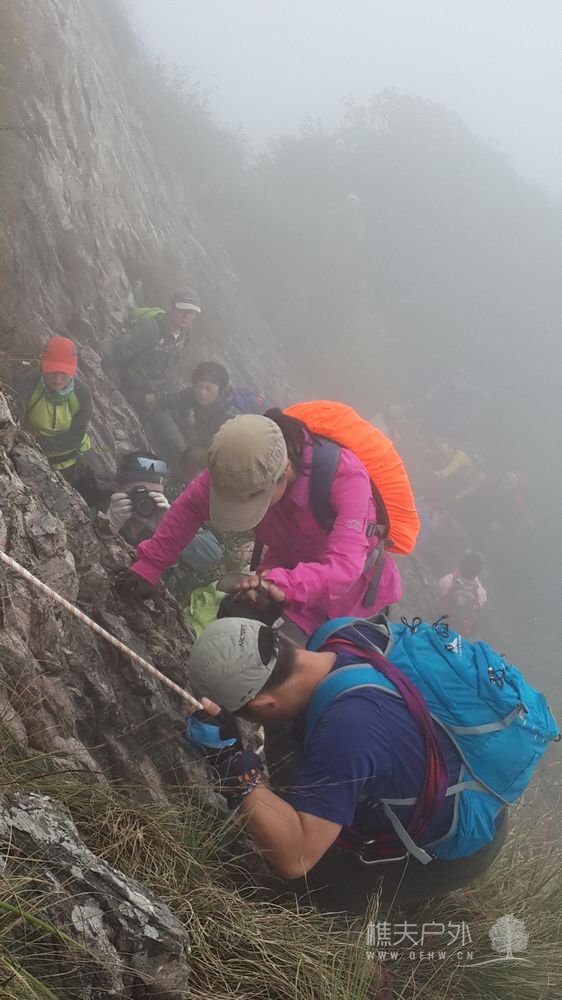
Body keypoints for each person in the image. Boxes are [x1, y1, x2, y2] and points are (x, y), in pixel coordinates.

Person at [185, 616, 509, 913]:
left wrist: (231, 764)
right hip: (456, 775)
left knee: (314, 887)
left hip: (457, 846)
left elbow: (296, 858)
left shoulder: (347, 730)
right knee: (291, 734)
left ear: (264, 703)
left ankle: (371, 910)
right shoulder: (342, 633)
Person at [122, 411, 402, 636]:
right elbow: (191, 507)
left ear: (283, 473)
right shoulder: (238, 466)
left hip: (352, 602)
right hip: (283, 575)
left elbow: (344, 567)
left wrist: (279, 584)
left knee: (291, 668)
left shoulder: (347, 480)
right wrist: (152, 564)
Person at [112, 289, 202, 463]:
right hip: (146, 397)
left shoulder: (185, 334)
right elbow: (118, 353)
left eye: (191, 312)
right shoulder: (151, 329)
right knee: (175, 443)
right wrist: (129, 390)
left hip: (166, 392)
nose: (186, 316)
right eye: (182, 309)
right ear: (171, 307)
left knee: (191, 430)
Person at [107, 450, 223, 580]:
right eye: (140, 492)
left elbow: (211, 555)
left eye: (155, 494)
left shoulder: (170, 512)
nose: (147, 501)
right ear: (116, 489)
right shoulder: (97, 512)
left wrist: (169, 528)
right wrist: (109, 526)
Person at [153, 361, 267, 481]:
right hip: (216, 446)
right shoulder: (199, 395)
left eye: (208, 388)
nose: (203, 392)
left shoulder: (230, 413)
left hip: (243, 459)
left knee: (193, 456)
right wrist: (148, 399)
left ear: (220, 389)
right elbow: (174, 399)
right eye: (199, 386)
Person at [20, 337, 95, 496]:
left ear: (73, 371)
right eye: (52, 371)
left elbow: (75, 437)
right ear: (43, 366)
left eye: (64, 372)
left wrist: (37, 441)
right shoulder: (28, 383)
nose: (58, 378)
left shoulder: (82, 394)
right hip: (27, 456)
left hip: (66, 465)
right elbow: (15, 419)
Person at [437, 551, 487, 637]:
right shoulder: (481, 593)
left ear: (462, 564)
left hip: (440, 626)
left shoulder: (447, 580)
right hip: (462, 634)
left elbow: (437, 598)